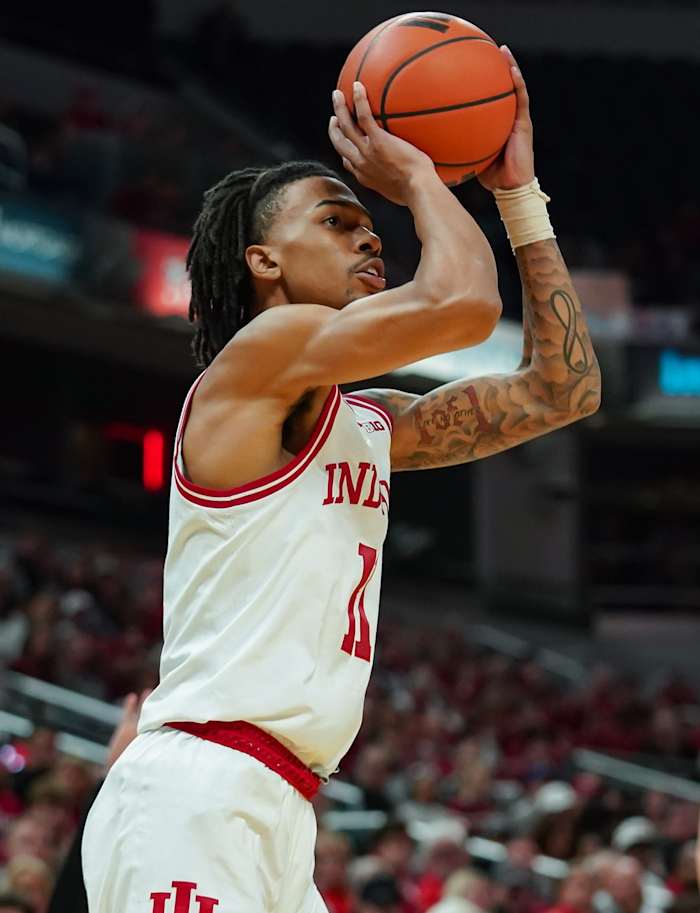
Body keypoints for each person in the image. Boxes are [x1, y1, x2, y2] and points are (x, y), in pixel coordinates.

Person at [82, 44, 601, 913]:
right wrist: (417, 172)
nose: (369, 232)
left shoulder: (366, 422)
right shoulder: (255, 360)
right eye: (335, 219)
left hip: (280, 806)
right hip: (194, 793)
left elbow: (566, 389)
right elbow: (465, 304)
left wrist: (520, 193)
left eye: (369, 220)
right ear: (263, 263)